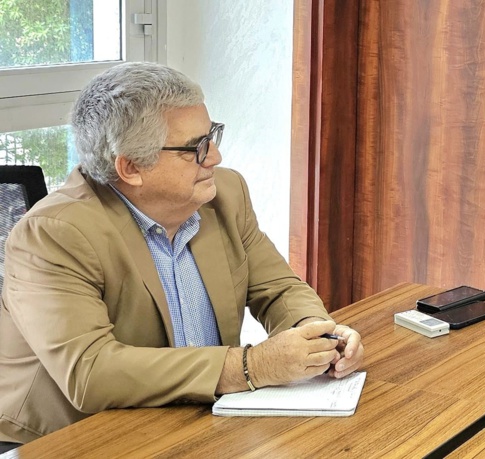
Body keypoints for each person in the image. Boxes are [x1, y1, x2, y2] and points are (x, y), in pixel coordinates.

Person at [0, 62, 364, 450]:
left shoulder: (224, 194)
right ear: (131, 167)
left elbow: (277, 289)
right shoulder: (54, 233)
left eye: (213, 136)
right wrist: (250, 366)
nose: (216, 157)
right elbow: (90, 374)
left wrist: (318, 334)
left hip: (192, 422)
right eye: (197, 148)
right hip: (72, 439)